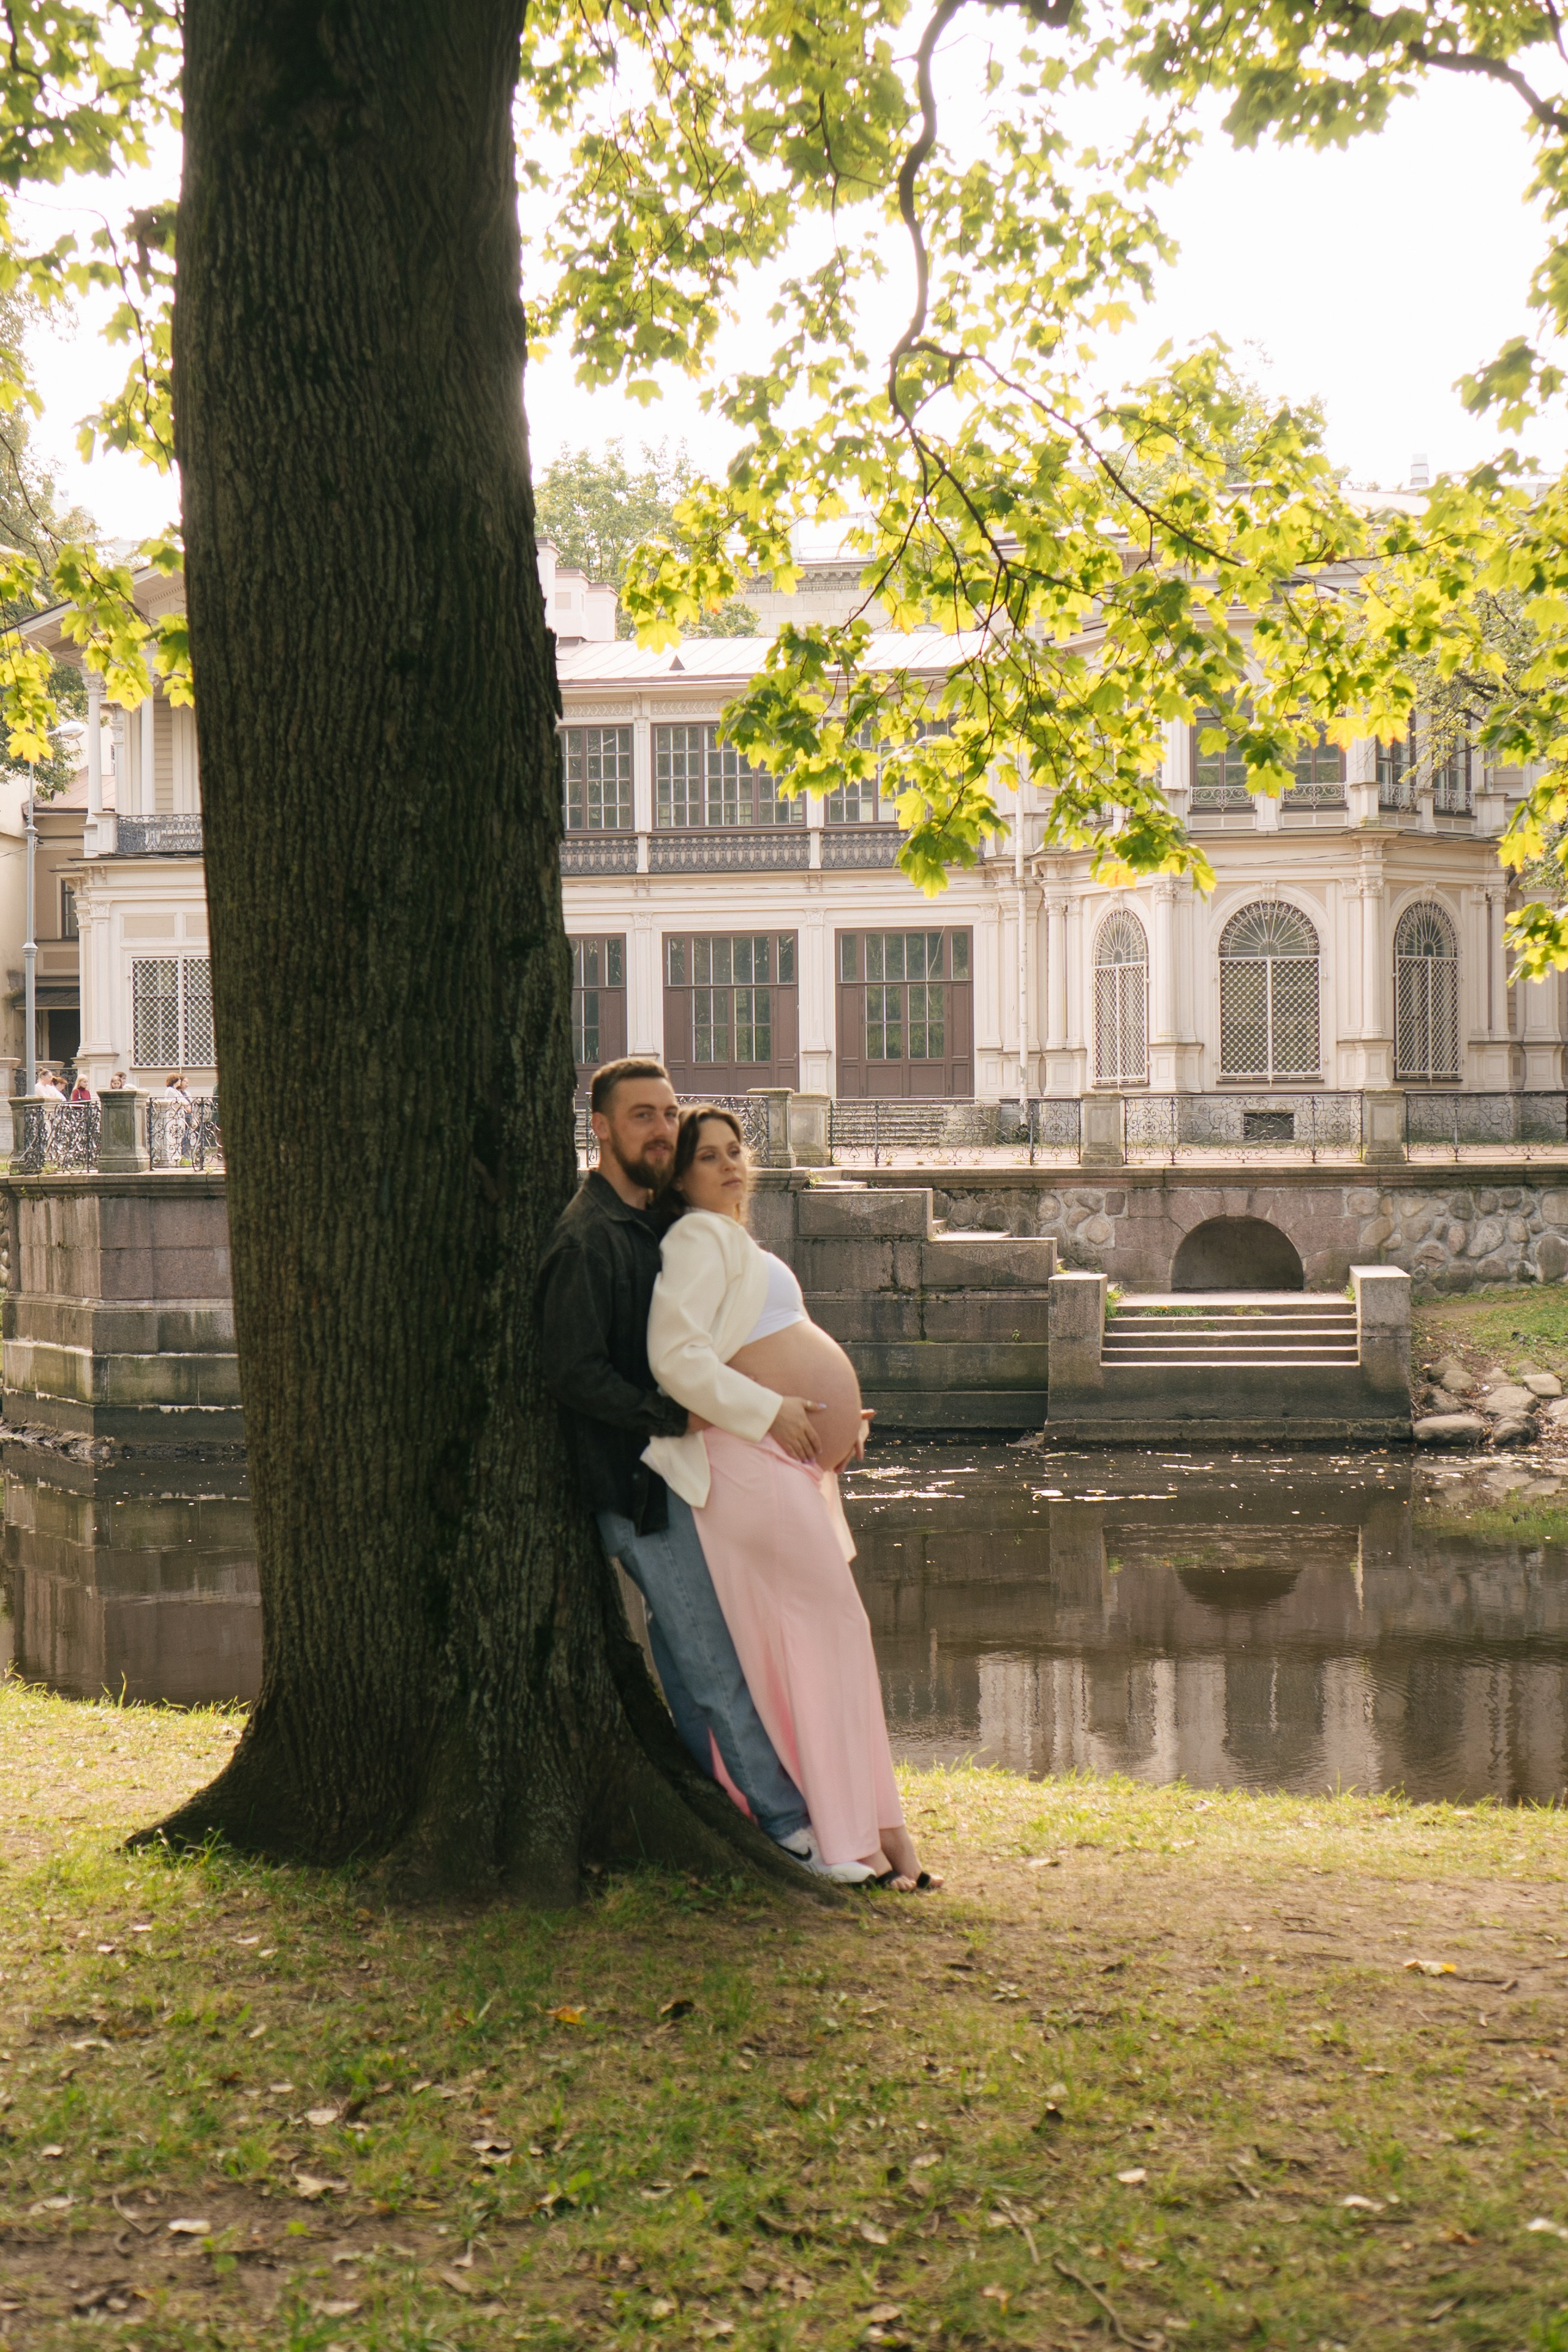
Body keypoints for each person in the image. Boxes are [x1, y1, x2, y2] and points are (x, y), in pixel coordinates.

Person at [537, 1058, 854, 1879]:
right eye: (641, 1115)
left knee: (688, 1660)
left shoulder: (652, 1221)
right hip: (634, 1489)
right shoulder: (589, 1237)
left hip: (676, 1476)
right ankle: (790, 1828)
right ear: (599, 1128)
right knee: (713, 1660)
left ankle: (722, 1801)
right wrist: (681, 1413)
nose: (662, 1130)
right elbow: (573, 1371)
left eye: (669, 1113)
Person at [644, 1106, 937, 1891]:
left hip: (778, 1459)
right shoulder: (694, 1239)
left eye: (736, 1152)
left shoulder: (733, 1242)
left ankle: (881, 1837)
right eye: (708, 1157)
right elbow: (675, 1361)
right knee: (816, 1637)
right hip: (743, 1462)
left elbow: (758, 1346)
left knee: (823, 1636)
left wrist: (839, 1416)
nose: (730, 1166)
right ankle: (845, 1837)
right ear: (679, 1176)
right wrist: (777, 1409)